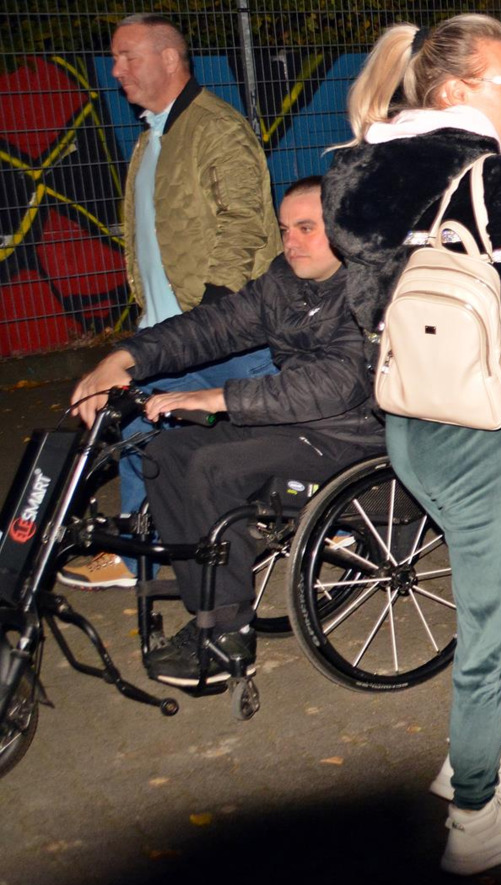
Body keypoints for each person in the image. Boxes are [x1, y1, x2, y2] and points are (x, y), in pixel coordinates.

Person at [320, 14, 501, 876]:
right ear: (453, 91)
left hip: (410, 420)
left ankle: (465, 759)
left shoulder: (366, 176)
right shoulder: (492, 178)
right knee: (490, 618)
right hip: (480, 428)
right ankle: (475, 814)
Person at [68, 177, 384, 686]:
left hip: (351, 436)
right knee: (167, 452)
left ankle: (228, 633)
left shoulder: (373, 291)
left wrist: (220, 398)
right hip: (290, 422)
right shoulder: (282, 282)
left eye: (307, 228)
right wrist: (122, 359)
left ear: (345, 230)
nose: (291, 241)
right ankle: (209, 613)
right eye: (285, 228)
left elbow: (336, 384)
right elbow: (211, 327)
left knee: (212, 466)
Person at [60, 13, 281, 590]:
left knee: (259, 443)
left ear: (168, 58)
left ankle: (320, 525)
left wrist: (212, 312)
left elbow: (245, 222)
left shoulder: (217, 128)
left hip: (220, 332)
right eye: (115, 58)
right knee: (141, 437)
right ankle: (137, 556)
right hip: (167, 328)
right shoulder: (152, 135)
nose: (116, 70)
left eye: (127, 57)